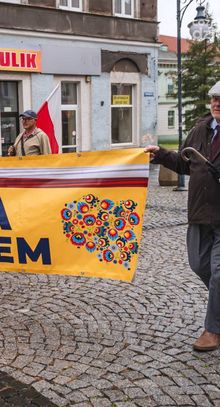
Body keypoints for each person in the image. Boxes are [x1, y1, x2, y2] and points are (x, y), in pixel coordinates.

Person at [145, 80, 220, 352]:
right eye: (214, 98)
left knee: (219, 273)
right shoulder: (200, 130)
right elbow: (184, 164)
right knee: (199, 264)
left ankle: (213, 330)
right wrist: (161, 155)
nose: (216, 103)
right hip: (200, 213)